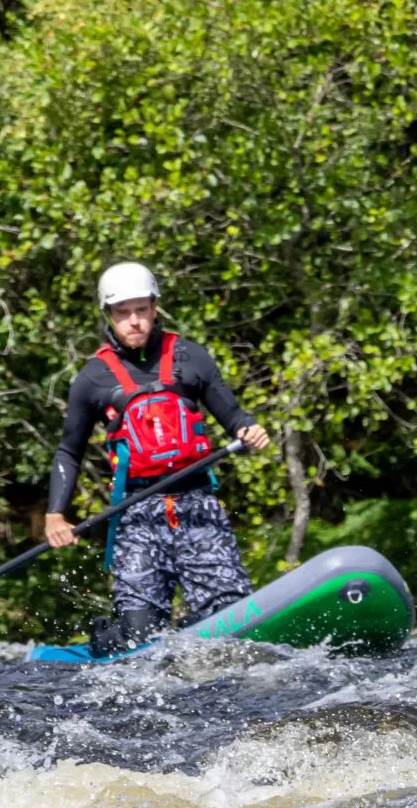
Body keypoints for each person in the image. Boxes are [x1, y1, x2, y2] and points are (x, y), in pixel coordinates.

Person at [47, 262, 272, 645]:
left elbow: (233, 416)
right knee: (139, 636)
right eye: (123, 313)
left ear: (154, 308)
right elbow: (69, 451)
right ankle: (110, 636)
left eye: (141, 310)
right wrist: (55, 514)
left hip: (198, 507)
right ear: (109, 315)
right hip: (136, 513)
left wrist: (248, 429)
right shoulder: (92, 379)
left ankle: (194, 639)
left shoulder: (190, 357)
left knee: (229, 620)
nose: (134, 321)